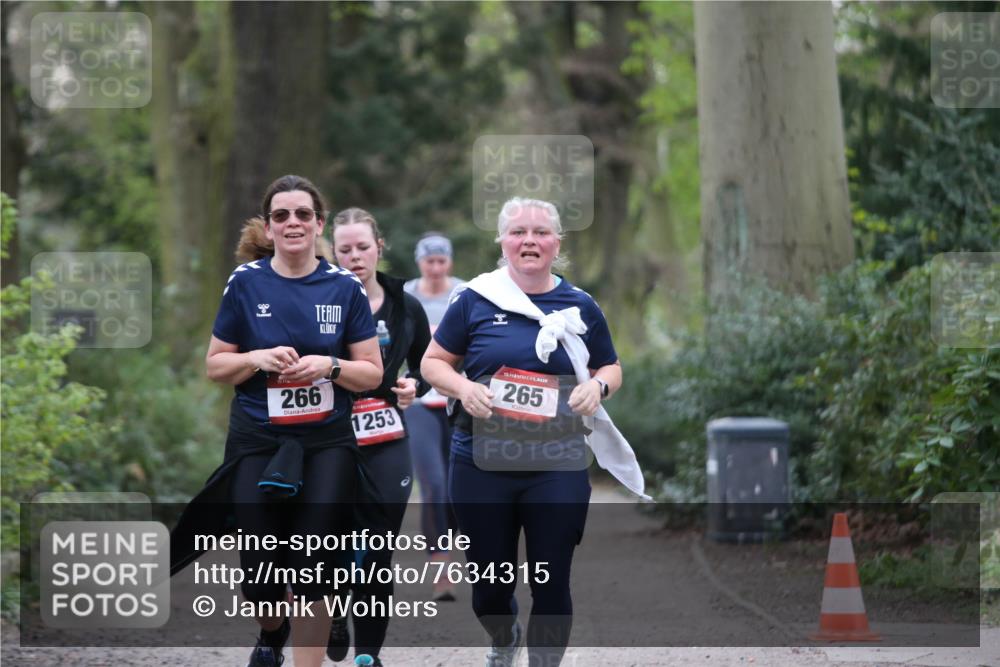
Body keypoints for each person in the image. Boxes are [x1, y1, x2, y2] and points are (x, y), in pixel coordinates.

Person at [421, 197, 646, 667]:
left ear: (556, 243)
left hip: (557, 460)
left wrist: (599, 386)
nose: (529, 240)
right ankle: (504, 639)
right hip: (482, 461)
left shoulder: (580, 304)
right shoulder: (474, 299)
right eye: (519, 232)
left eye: (540, 232)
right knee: (489, 587)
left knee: (552, 579)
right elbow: (431, 363)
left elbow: (611, 365)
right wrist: (464, 388)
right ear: (503, 242)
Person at [176, 174, 383, 667]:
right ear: (268, 228)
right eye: (282, 215)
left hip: (325, 442)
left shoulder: (344, 287)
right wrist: (258, 358)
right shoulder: (246, 284)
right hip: (258, 439)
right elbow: (214, 366)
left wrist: (329, 366)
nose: (293, 223)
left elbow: (370, 372)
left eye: (303, 215)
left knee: (315, 558)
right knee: (260, 567)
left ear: (319, 225)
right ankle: (272, 632)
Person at [327, 207, 432, 667]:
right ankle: (331, 610)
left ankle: (368, 655)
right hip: (329, 437)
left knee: (378, 550)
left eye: (362, 248)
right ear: (332, 252)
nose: (354, 257)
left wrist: (415, 385)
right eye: (344, 249)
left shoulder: (404, 304)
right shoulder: (319, 299)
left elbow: (429, 363)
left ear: (379, 248)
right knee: (329, 541)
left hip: (387, 433)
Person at [403, 233, 465, 601]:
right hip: (420, 404)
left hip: (458, 401)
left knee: (459, 489)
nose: (437, 268)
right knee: (435, 486)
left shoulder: (465, 293)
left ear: (450, 262)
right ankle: (440, 568)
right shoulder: (407, 296)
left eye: (443, 261)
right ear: (420, 262)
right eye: (430, 261)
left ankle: (458, 547)